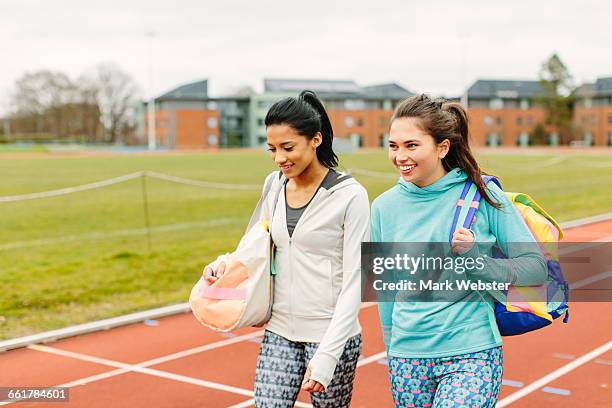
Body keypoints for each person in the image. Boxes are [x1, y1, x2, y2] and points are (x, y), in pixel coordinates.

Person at [371, 94, 547, 407]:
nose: (400, 156)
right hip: (406, 358)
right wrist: (391, 346)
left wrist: (476, 262)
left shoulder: (482, 193)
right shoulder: (383, 207)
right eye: (393, 145)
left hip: (471, 353)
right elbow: (387, 288)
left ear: (442, 147)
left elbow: (535, 267)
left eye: (411, 145)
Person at [205, 90, 370, 407]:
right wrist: (224, 264)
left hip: (331, 336)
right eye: (272, 149)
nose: (279, 157)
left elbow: (355, 281)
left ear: (316, 139)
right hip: (280, 329)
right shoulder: (274, 184)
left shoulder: (351, 195)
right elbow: (255, 244)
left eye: (288, 147)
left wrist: (327, 357)